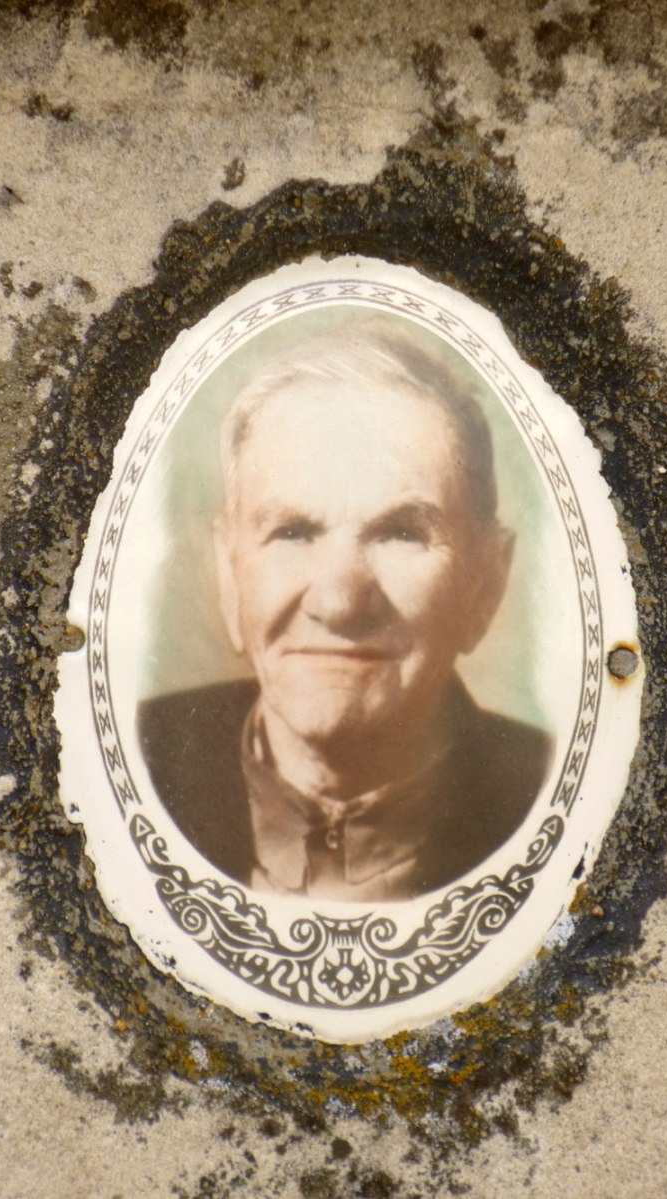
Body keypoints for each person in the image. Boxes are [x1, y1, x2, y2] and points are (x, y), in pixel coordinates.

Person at [137, 322, 552, 902]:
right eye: (292, 531)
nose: (339, 602)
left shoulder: (556, 794)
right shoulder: (136, 759)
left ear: (485, 582)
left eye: (402, 533)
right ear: (230, 575)